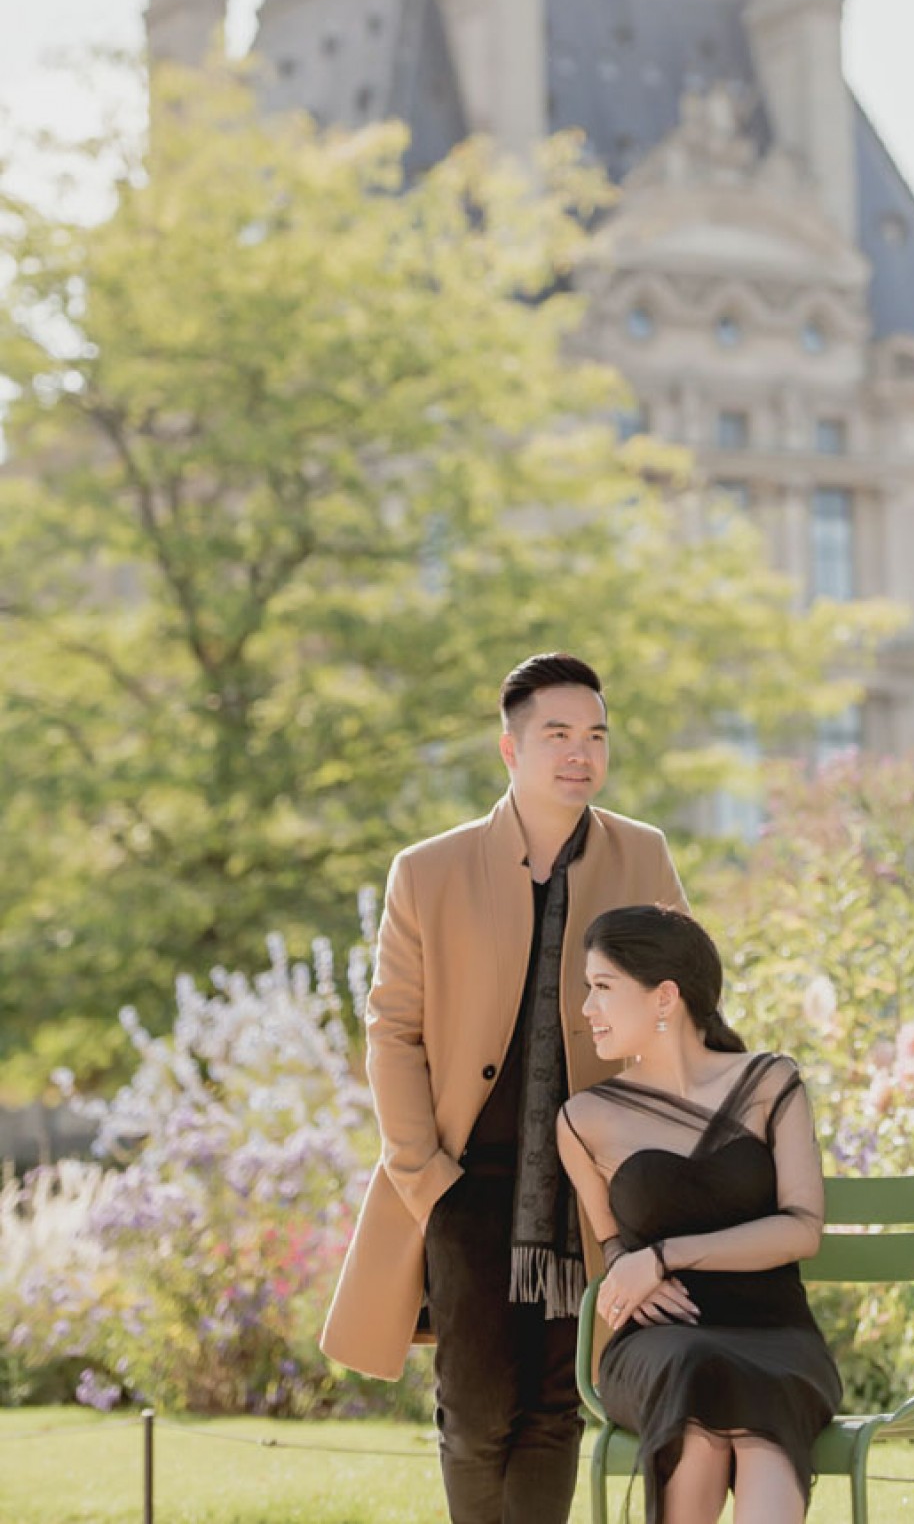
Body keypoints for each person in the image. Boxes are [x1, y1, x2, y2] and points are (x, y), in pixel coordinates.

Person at [321, 653, 688, 1524]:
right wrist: (424, 1173)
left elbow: (682, 1007)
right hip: (465, 1180)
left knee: (558, 1404)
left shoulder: (642, 856)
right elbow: (392, 1030)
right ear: (510, 749)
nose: (580, 753)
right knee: (477, 1408)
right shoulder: (429, 870)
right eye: (558, 734)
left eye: (595, 735)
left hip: (590, 1187)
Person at [557, 905, 842, 1524]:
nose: (586, 1009)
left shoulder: (769, 1083)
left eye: (602, 987)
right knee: (696, 1386)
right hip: (660, 1346)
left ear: (664, 996)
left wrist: (662, 1258)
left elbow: (802, 1229)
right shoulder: (584, 1119)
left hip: (776, 1334)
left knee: (756, 1414)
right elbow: (613, 1247)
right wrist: (629, 1266)